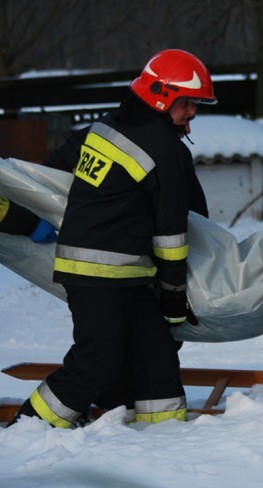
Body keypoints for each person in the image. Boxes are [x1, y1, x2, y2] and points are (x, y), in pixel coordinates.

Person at [9, 49, 216, 428]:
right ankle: (27, 428)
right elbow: (173, 233)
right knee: (96, 363)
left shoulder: (105, 126)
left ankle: (165, 436)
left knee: (157, 357)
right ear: (161, 96)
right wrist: (173, 296)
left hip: (128, 276)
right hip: (98, 276)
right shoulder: (166, 151)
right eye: (187, 103)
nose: (192, 113)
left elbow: (52, 173)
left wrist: (28, 214)